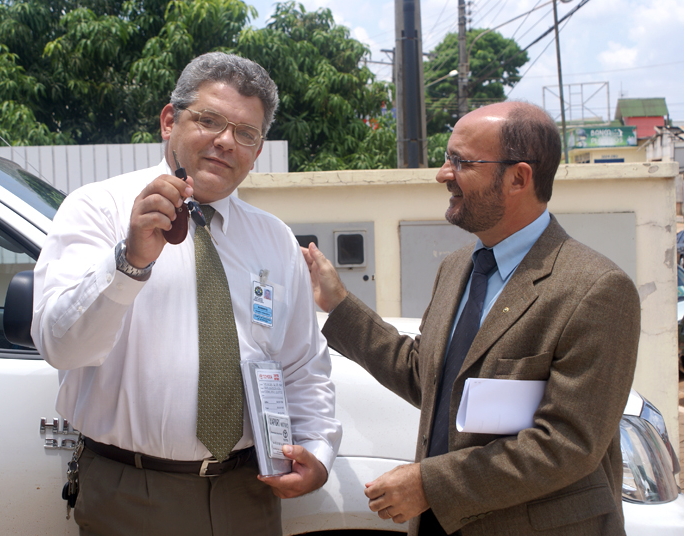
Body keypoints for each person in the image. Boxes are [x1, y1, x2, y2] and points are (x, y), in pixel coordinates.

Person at [32, 52, 341, 536]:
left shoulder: (276, 239)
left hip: (250, 493)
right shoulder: (99, 208)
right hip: (132, 493)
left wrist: (318, 450)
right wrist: (130, 261)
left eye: (246, 133)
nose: (226, 141)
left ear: (258, 150)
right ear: (168, 121)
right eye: (209, 120)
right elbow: (61, 346)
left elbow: (303, 363)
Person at [303, 101, 640, 535]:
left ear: (518, 178)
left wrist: (430, 485)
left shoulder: (596, 288)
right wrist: (339, 304)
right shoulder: (458, 266)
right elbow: (428, 378)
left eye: (461, 162)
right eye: (448, 159)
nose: (443, 174)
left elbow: (568, 444)